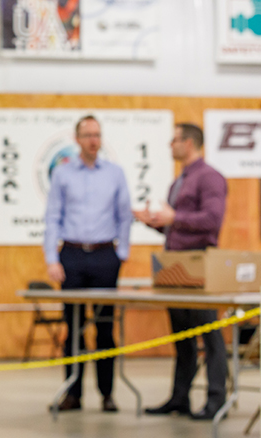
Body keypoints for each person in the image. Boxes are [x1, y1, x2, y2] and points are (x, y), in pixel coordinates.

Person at [133, 123, 228, 420]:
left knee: (210, 336)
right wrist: (154, 221)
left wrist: (174, 216)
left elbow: (212, 220)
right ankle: (179, 398)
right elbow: (178, 223)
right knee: (182, 337)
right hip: (175, 267)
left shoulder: (210, 178)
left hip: (200, 267)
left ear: (189, 143)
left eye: (174, 140)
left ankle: (216, 401)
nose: (170, 145)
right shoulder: (179, 181)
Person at [43, 115, 132, 413]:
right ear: (77, 139)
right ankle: (73, 393)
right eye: (87, 134)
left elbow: (124, 215)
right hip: (72, 257)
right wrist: (52, 259)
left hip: (106, 256)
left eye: (97, 134)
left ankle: (107, 394)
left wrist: (121, 254)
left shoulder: (115, 173)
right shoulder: (63, 174)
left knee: (105, 328)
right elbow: (53, 217)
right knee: (74, 327)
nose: (93, 140)